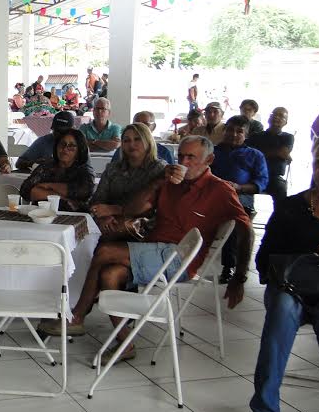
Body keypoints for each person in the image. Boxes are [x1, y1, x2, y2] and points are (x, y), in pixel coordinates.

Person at [49, 137, 253, 355]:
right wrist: (157, 184)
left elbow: (246, 230)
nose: (183, 161)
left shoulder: (220, 190)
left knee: (106, 251)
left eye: (191, 157)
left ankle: (78, 315)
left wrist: (239, 277)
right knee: (110, 274)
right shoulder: (171, 182)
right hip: (153, 247)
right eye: (181, 155)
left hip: (179, 257)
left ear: (209, 159)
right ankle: (125, 343)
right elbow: (135, 209)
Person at [249, 140, 319, 412]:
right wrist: (283, 276)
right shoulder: (290, 206)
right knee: (280, 316)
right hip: (290, 289)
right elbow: (263, 257)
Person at [211, 116, 268, 283]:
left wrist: (239, 187)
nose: (233, 134)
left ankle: (229, 266)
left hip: (240, 196)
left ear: (246, 135)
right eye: (229, 130)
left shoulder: (255, 155)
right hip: (212, 195)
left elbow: (261, 182)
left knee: (234, 221)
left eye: (239, 131)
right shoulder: (213, 151)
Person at [90, 124, 168, 236]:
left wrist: (114, 210)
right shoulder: (113, 168)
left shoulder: (159, 169)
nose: (131, 144)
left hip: (144, 227)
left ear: (148, 141)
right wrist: (105, 217)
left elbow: (150, 208)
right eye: (126, 140)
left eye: (137, 139)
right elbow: (97, 201)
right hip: (109, 224)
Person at [18, 130, 95, 212]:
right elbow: (25, 191)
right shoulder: (47, 166)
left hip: (75, 217)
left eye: (71, 146)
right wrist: (61, 197)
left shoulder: (84, 171)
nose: (65, 149)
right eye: (62, 144)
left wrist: (48, 186)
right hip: (42, 215)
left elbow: (83, 191)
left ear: (79, 150)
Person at [247, 107, 293, 204]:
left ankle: (280, 217)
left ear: (286, 122)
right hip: (254, 174)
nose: (276, 117)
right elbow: (249, 154)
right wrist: (277, 153)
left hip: (273, 176)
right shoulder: (256, 136)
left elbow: (283, 152)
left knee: (281, 188)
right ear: (269, 118)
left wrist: (260, 152)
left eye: (281, 116)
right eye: (274, 114)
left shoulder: (288, 137)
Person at [110, 111, 175, 164]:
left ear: (153, 127)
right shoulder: (122, 150)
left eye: (145, 124)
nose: (140, 128)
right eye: (136, 124)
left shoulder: (163, 152)